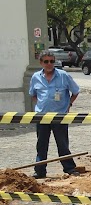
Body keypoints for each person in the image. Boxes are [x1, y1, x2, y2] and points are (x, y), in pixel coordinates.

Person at [29, 50, 81, 179]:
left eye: (52, 61)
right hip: (42, 116)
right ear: (41, 63)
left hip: (60, 116)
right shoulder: (35, 77)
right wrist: (41, 106)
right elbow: (33, 95)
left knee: (62, 143)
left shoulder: (63, 76)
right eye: (46, 61)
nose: (49, 64)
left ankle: (69, 168)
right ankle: (40, 170)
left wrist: (68, 105)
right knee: (41, 144)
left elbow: (75, 91)